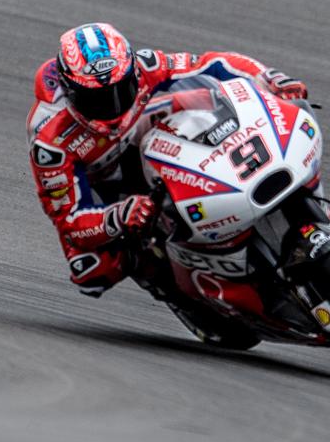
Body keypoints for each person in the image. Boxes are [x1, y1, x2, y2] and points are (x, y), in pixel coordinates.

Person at [27, 23, 309, 341]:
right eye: (99, 99)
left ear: (132, 70)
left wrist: (270, 79)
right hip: (109, 191)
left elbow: (214, 63)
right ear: (72, 92)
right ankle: (175, 292)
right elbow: (70, 220)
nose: (114, 106)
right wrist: (117, 216)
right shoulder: (51, 142)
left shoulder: (146, 65)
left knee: (207, 99)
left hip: (155, 141)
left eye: (122, 90)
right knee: (92, 269)